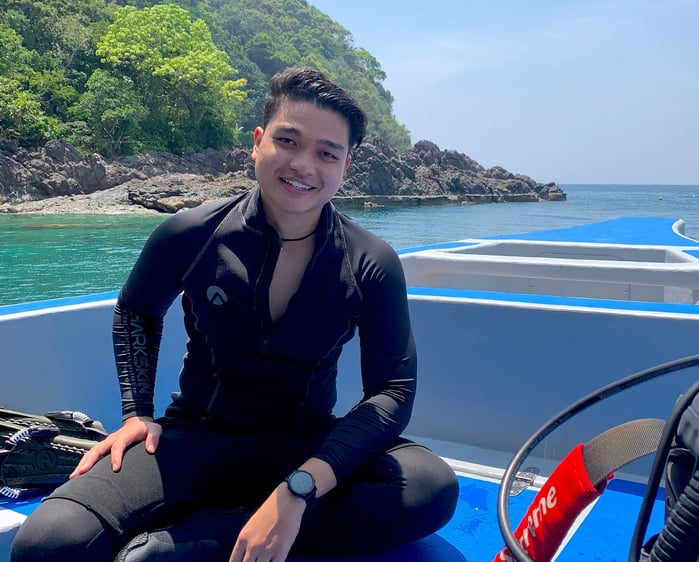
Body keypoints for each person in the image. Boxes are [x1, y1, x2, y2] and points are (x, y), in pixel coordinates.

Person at [11, 67, 459, 562]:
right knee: (48, 542)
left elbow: (391, 393)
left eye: (327, 153)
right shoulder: (192, 233)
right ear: (257, 142)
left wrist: (300, 488)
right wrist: (137, 412)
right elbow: (137, 309)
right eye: (288, 140)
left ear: (345, 166)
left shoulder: (370, 261)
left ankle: (201, 540)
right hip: (196, 436)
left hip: (303, 442)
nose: (303, 165)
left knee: (428, 487)